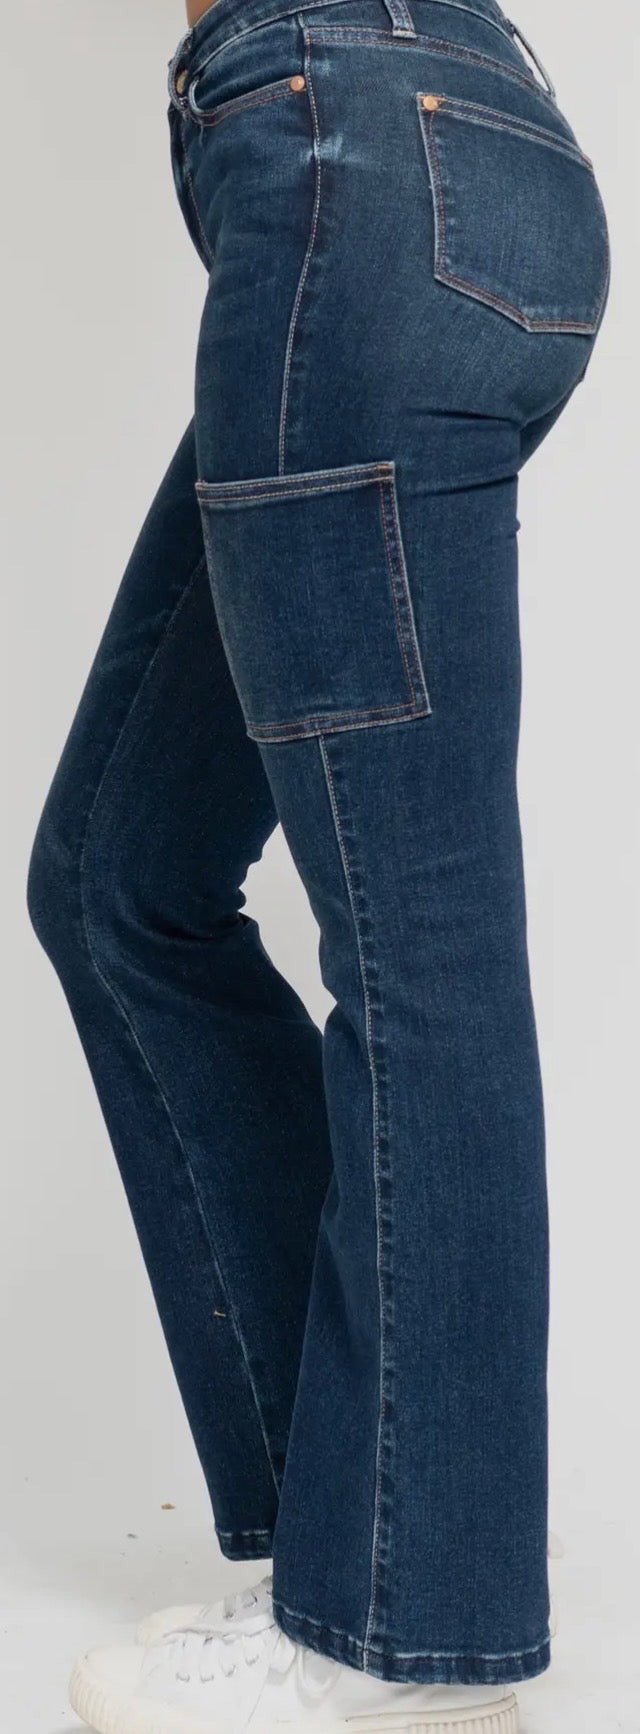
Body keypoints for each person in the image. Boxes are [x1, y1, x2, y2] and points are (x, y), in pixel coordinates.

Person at [26, 0, 610, 1729]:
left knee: (420, 946)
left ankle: (403, 1651)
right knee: (123, 874)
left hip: (344, 147)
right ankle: (373, 1538)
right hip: (466, 138)